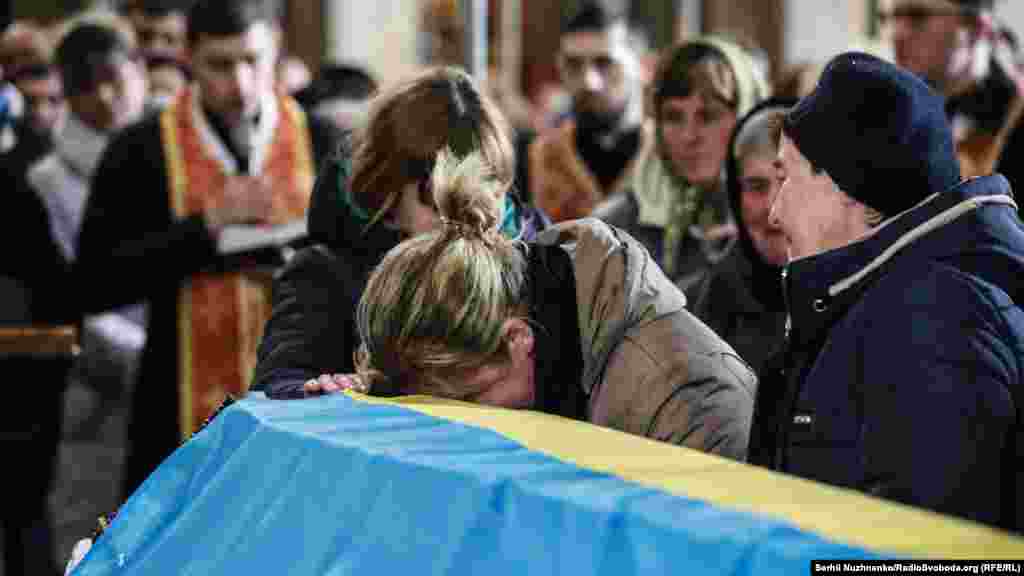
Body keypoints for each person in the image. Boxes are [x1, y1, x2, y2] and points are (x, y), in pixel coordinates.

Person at [307, 148, 756, 459]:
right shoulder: (540, 310)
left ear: (517, 340)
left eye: (470, 402)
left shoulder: (692, 404)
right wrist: (369, 395)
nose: (465, 424)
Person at [73, 0, 342, 497]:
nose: (240, 82)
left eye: (252, 60)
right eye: (220, 64)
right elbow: (92, 283)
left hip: (302, 401)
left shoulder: (323, 141)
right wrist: (204, 227)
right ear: (189, 57)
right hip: (176, 400)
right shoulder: (141, 148)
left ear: (275, 49)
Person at [769, 52, 1023, 532]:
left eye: (786, 178)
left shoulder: (932, 324)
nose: (774, 212)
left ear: (851, 188)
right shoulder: (894, 306)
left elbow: (925, 553)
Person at [251, 66, 548, 399]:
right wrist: (333, 391)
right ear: (387, 196)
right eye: (437, 201)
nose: (465, 218)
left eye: (481, 196)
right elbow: (277, 387)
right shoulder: (327, 276)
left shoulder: (545, 263)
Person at [593, 36, 768, 293]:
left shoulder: (779, 220)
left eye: (708, 116)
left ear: (747, 118)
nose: (689, 136)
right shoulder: (616, 230)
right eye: (673, 117)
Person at [688, 97, 794, 467]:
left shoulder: (856, 298)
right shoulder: (702, 303)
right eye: (756, 186)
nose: (772, 208)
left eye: (787, 183)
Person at [878, 0, 1024, 189]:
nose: (896, 34)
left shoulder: (1013, 111)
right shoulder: (900, 109)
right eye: (887, 18)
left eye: (917, 16)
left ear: (975, 25)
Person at [528, 1, 647, 223]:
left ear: (641, 66)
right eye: (573, 65)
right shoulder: (537, 158)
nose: (588, 81)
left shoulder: (670, 156)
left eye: (604, 63)